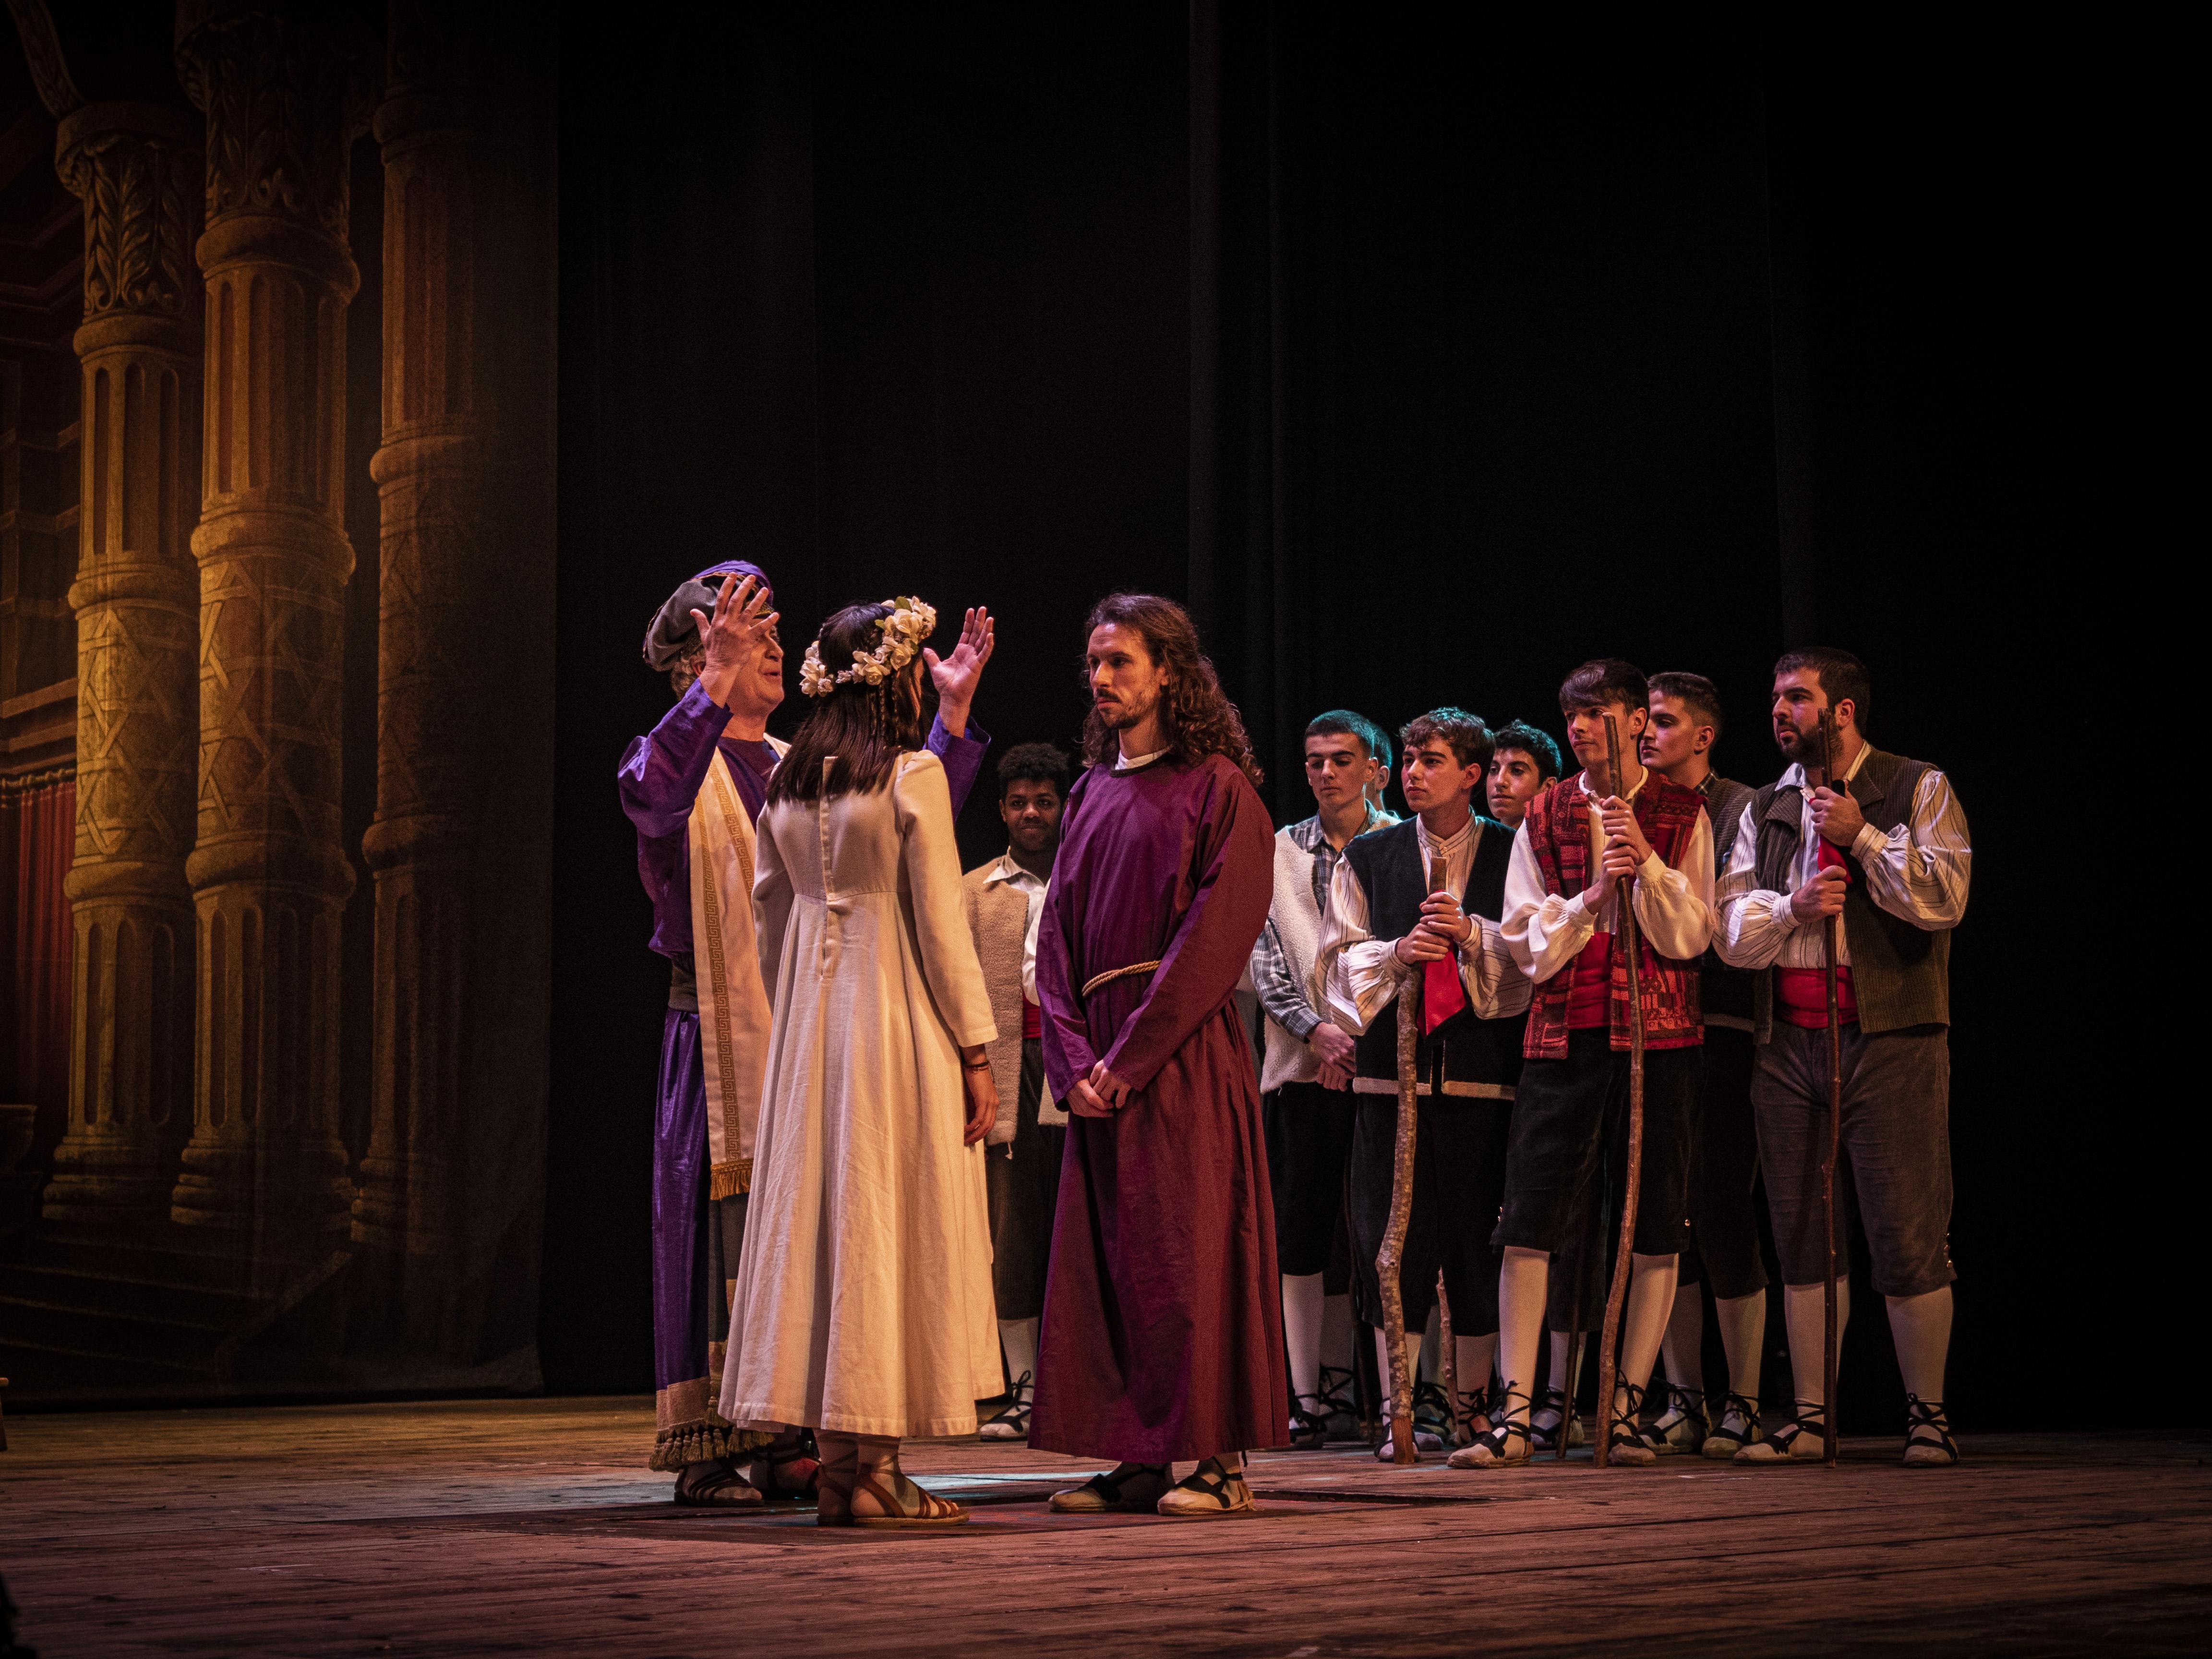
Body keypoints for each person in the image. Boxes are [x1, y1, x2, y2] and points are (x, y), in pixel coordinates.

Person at [620, 565, 994, 1505]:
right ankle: (714, 1442)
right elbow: (648, 795)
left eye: (780, 631)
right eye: (748, 633)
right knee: (731, 1226)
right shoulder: (684, 759)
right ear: (694, 655)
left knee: (822, 1218)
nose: (775, 645)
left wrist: (948, 725)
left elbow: (904, 829)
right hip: (718, 1030)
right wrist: (712, 685)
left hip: (813, 1021)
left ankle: (797, 1431)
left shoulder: (798, 761)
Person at [720, 598, 1002, 1527]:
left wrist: (802, 1003)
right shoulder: (910, 776)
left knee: (833, 1226)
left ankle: (843, 1469)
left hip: (814, 1035)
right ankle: (874, 1468)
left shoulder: (788, 782)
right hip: (895, 1024)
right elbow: (940, 921)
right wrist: (975, 1046)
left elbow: (768, 919)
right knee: (885, 1219)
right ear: (897, 678)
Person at [1029, 593, 1284, 1519]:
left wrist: (1128, 1060)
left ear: (1168, 672)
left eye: (1121, 662)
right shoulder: (1091, 792)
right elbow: (1052, 940)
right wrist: (1070, 1062)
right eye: (1093, 663)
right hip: (1099, 1060)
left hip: (1175, 1056)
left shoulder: (1217, 787)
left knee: (1189, 1256)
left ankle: (1217, 1460)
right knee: (1113, 1262)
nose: (1101, 680)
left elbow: (1215, 941)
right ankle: (1136, 1455)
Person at [1457, 659, 1715, 1470]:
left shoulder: (1681, 811)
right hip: (1565, 1034)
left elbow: (1693, 933)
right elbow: (1523, 940)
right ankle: (1518, 1414)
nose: (1579, 726)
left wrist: (1647, 867)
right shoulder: (1544, 811)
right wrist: (1589, 902)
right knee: (1529, 1219)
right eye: (1571, 713)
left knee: (1650, 1218)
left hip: (1657, 1038)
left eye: (1598, 712)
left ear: (1638, 719)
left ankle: (1627, 1406)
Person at [1715, 648, 1970, 1467]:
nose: (1779, 711)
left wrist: (1860, 837)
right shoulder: (1764, 805)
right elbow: (1731, 930)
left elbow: (1943, 898)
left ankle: (1926, 1415)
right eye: (1775, 697)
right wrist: (1790, 907)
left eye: (1795, 697)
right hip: (1787, 1044)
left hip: (1888, 1036)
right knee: (1800, 1230)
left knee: (1904, 1226)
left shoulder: (1912, 786)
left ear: (1843, 711)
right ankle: (1812, 1414)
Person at [1316, 710, 1531, 1460]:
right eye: (1406, 758)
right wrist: (1400, 951)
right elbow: (1335, 961)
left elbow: (1537, 953)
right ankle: (1401, 1411)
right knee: (1390, 1246)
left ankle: (1474, 1410)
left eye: (1430, 760)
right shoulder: (1372, 857)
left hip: (1480, 1080)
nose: (1412, 772)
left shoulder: (1514, 851)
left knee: (1475, 1245)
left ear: (1472, 774)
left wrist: (1473, 936)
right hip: (1390, 1083)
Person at [1250, 711, 1395, 1447]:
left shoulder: (1403, 843)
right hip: (1301, 1067)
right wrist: (1318, 1033)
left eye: (1343, 759)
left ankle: (1393, 1398)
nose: (1327, 772)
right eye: (1314, 762)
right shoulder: (1278, 850)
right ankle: (1309, 1394)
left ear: (1378, 769)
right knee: (1301, 1234)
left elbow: (1398, 955)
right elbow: (1265, 955)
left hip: (1382, 1070)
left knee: (1380, 1234)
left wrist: (1359, 1041)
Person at [1638, 672, 1766, 1457]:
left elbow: (1728, 924)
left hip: (1716, 1024)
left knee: (1720, 1206)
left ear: (1702, 733)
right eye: (1643, 720)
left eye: (1661, 721)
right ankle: (1683, 1396)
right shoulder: (1634, 803)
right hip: (1649, 1032)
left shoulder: (1736, 805)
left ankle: (1743, 1400)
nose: (1647, 734)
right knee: (1667, 1213)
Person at [964, 743, 1075, 1443]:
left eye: (1044, 800)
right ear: (1002, 811)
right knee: (1013, 1230)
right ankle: (1025, 1385)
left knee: (1077, 1223)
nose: (1032, 813)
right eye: (1018, 802)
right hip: (1005, 1066)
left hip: (1073, 1064)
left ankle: (1078, 1383)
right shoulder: (974, 891)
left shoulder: (1086, 876)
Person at [1485, 721, 1560, 831]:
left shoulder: (1563, 845)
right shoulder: (1477, 843)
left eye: (1517, 771)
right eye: (1493, 770)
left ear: (1548, 787)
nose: (1499, 782)